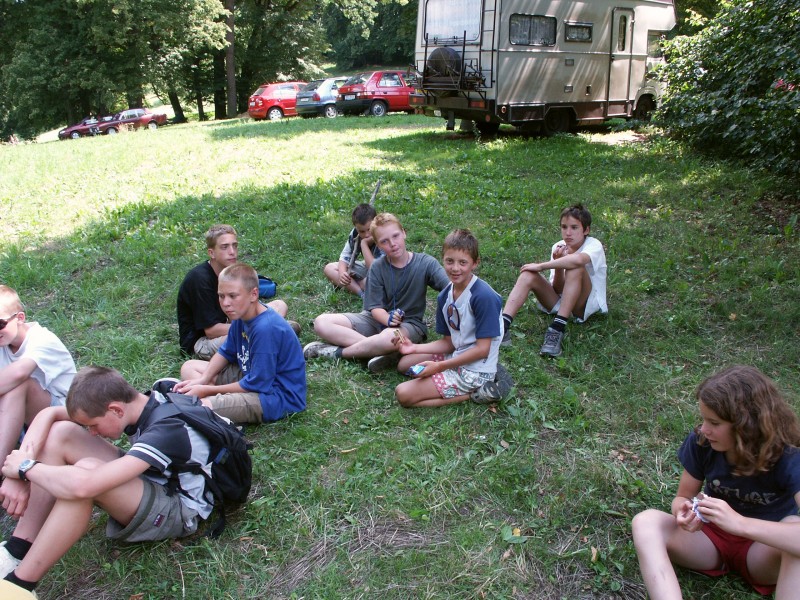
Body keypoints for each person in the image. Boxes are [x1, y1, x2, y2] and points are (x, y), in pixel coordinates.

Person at [0, 366, 216, 596]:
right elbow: (49, 414)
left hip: (181, 508)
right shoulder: (143, 403)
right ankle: (18, 549)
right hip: (156, 476)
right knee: (61, 433)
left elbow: (84, 485)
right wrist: (17, 472)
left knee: (85, 475)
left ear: (115, 410)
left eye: (93, 425)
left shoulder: (166, 430)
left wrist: (25, 469)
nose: (92, 432)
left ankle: (20, 585)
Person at [631, 365, 800, 599]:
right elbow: (683, 497)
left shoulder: (789, 456)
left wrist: (740, 523)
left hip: (763, 550)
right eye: (704, 419)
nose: (704, 429)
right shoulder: (702, 442)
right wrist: (683, 512)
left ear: (747, 425)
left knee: (794, 531)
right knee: (646, 521)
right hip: (710, 540)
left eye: (715, 423)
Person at [303, 212, 449, 372]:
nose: (392, 244)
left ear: (404, 233)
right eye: (384, 241)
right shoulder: (377, 267)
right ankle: (379, 351)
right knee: (321, 322)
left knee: (389, 337)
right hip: (374, 320)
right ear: (378, 245)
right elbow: (375, 309)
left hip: (408, 325)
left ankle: (338, 353)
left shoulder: (426, 263)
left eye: (395, 236)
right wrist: (388, 319)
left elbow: (450, 286)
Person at [392, 229, 513, 408]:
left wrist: (440, 367)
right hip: (457, 354)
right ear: (443, 259)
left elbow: (482, 350)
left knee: (403, 394)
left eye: (463, 262)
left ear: (475, 263)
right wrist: (413, 348)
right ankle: (446, 375)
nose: (455, 268)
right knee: (404, 364)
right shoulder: (445, 296)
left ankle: (475, 393)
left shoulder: (483, 297)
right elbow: (448, 343)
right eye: (450, 261)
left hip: (476, 370)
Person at [176, 263, 306, 424]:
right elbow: (225, 352)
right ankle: (224, 401)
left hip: (275, 396)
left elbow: (258, 383)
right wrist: (203, 380)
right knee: (189, 367)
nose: (225, 303)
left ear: (254, 294)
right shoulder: (240, 316)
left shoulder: (265, 329)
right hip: (250, 375)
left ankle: (219, 402)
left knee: (201, 407)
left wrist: (208, 389)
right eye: (221, 296)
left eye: (233, 296)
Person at [177, 224, 299, 359]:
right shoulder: (199, 279)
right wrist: (255, 326)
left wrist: (257, 322)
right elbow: (211, 331)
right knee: (256, 334)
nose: (232, 252)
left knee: (279, 305)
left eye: (234, 246)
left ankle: (271, 333)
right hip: (202, 341)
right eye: (225, 247)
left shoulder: (231, 273)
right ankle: (275, 332)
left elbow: (249, 308)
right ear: (211, 253)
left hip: (232, 325)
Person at [501, 204, 606, 358]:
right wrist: (558, 266)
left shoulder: (593, 244)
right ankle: (502, 327)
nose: (568, 233)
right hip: (562, 302)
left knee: (575, 266)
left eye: (574, 227)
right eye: (564, 227)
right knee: (528, 274)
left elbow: (578, 260)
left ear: (586, 230)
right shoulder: (558, 246)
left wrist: (542, 266)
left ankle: (557, 329)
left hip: (583, 306)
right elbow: (557, 289)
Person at [0, 285, 76, 472]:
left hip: (66, 413)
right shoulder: (4, 345)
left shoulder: (42, 340)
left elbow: (20, 373)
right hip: (26, 420)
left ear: (20, 318)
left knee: (20, 385)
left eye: (0, 324)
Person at [323, 203, 383, 297]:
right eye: (362, 231)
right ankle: (360, 293)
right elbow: (344, 257)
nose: (367, 235)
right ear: (356, 228)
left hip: (382, 272)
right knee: (329, 268)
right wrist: (342, 274)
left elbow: (375, 269)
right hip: (367, 268)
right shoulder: (355, 235)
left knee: (376, 281)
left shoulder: (383, 235)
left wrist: (364, 244)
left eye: (369, 229)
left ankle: (356, 285)